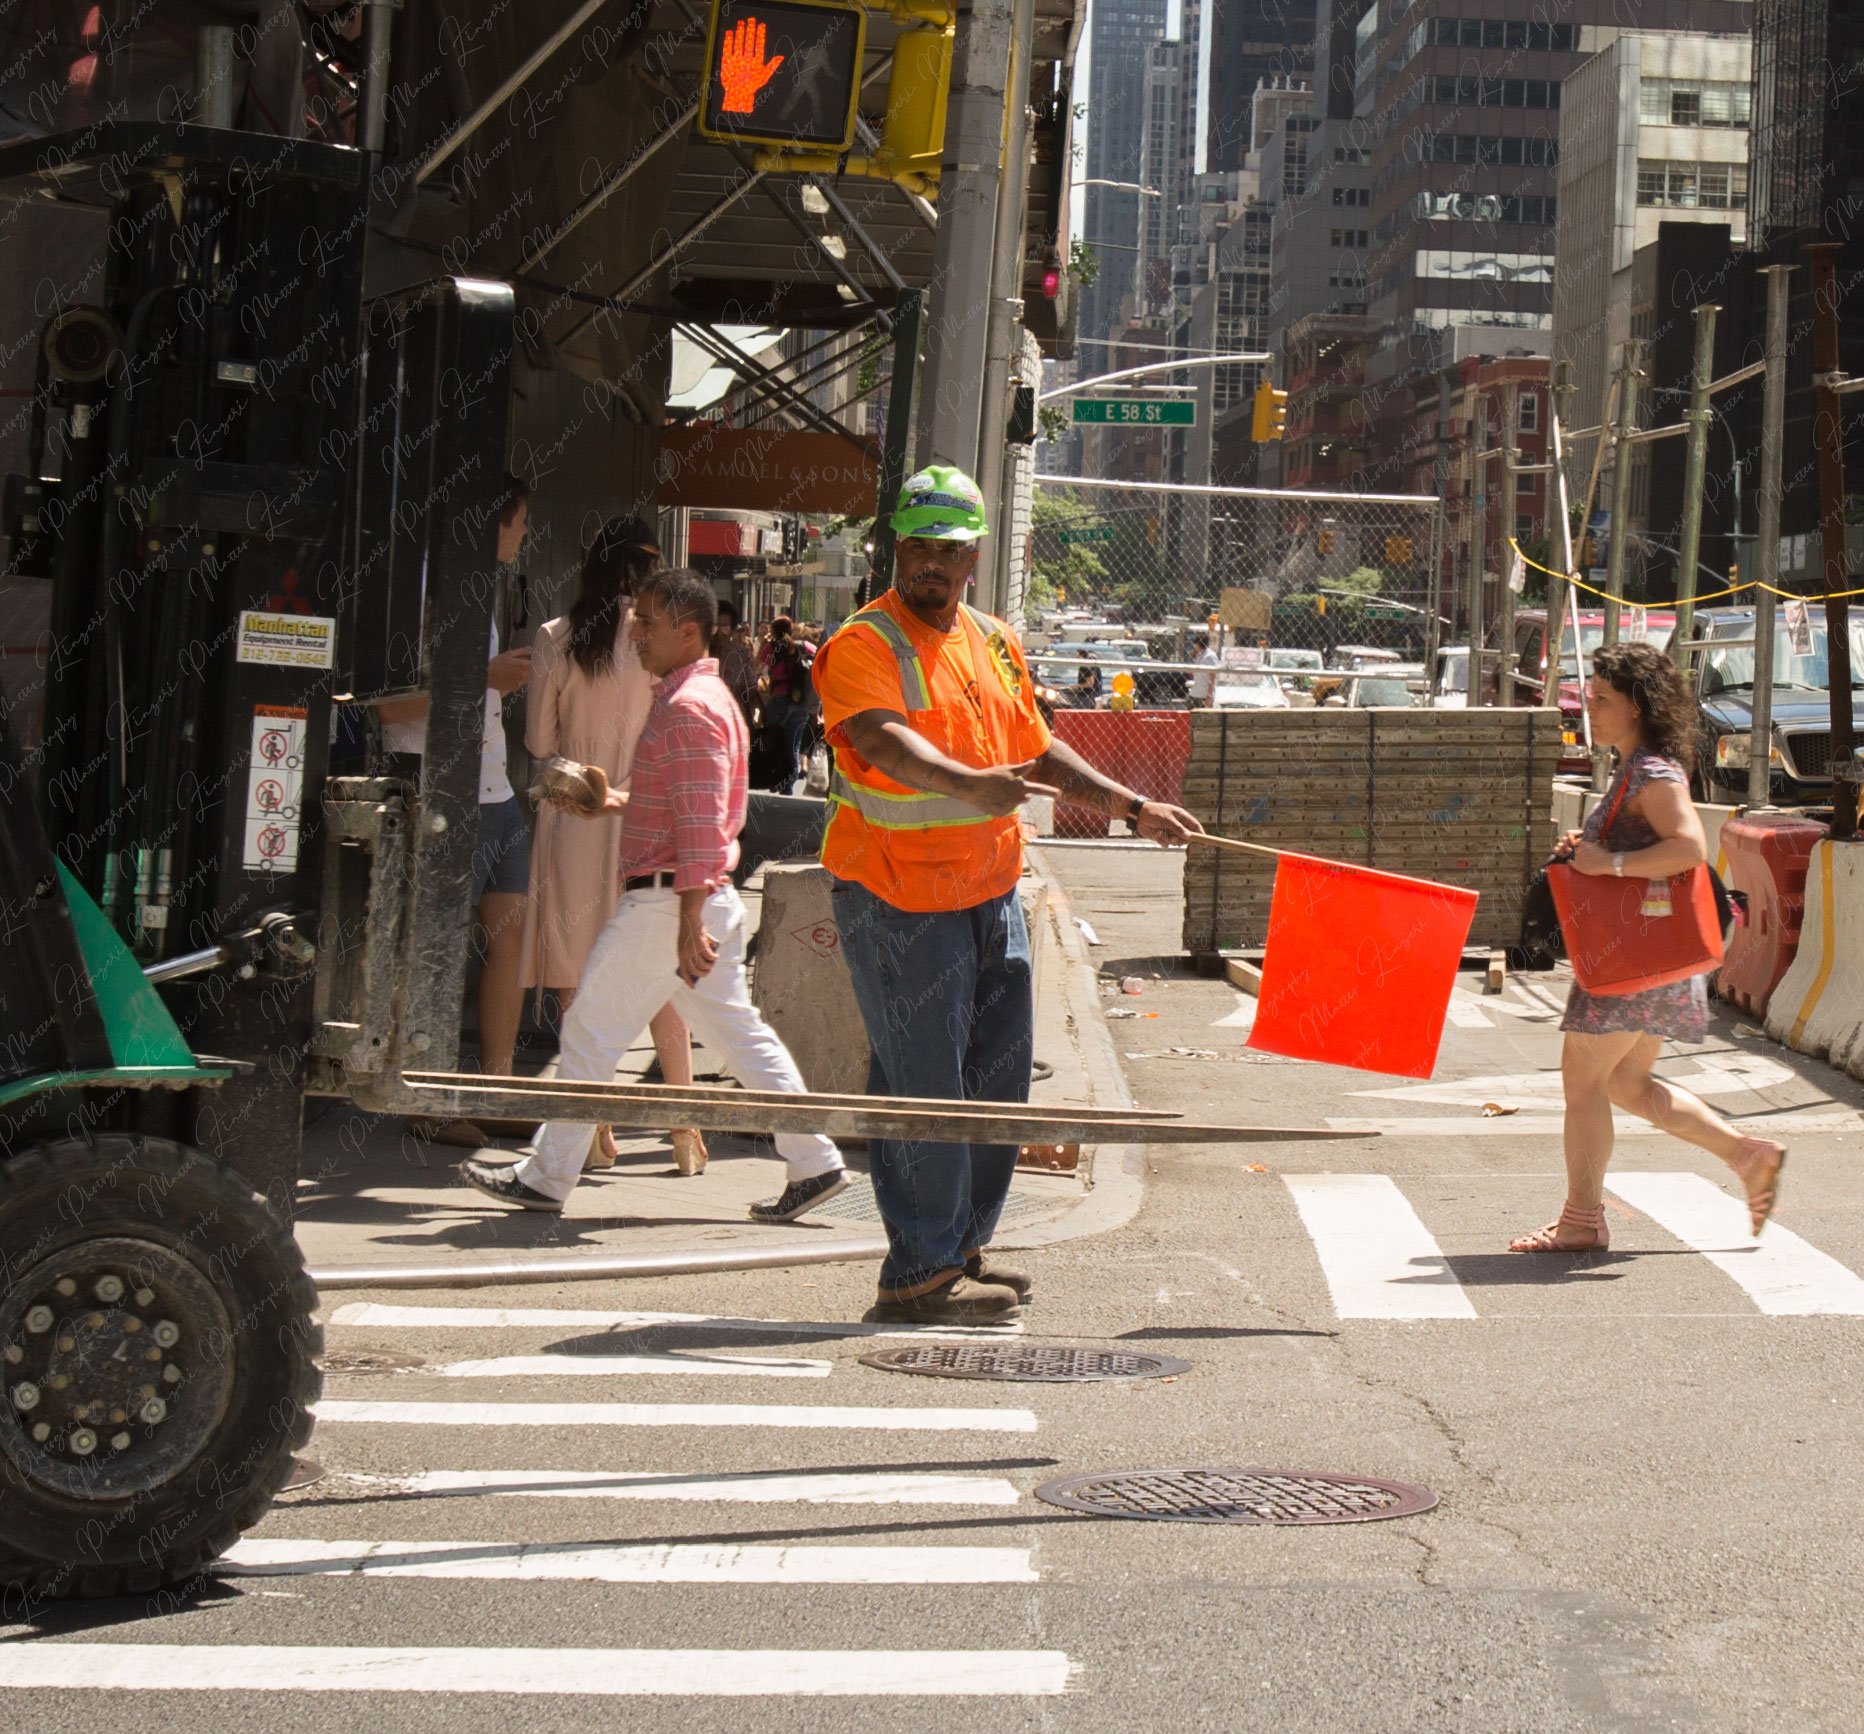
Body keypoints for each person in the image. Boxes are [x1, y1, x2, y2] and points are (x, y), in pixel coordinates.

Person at [813, 464, 1204, 1324]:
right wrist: (967, 784)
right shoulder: (862, 645)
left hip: (989, 891)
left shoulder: (991, 639)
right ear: (895, 548)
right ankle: (918, 1272)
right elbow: (884, 746)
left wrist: (1131, 806)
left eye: (952, 551)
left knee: (996, 1084)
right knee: (923, 1084)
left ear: (974, 557)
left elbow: (1035, 749)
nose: (935, 566)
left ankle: (959, 1250)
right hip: (897, 898)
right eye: (920, 547)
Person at [462, 568, 848, 1219]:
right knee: (739, 1035)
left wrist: (685, 920)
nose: (634, 632)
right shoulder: (702, 697)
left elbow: (697, 820)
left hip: (670, 902)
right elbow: (686, 804)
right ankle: (814, 1159)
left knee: (589, 1028)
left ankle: (548, 1176)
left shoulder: (689, 706)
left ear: (688, 631)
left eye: (647, 622)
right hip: (688, 899)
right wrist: (612, 800)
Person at [1509, 641, 1786, 1253]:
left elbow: (1688, 847)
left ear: (1638, 705)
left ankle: (1582, 1221)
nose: (1591, 709)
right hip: (1648, 956)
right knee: (1628, 1085)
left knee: (1583, 1084)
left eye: (1604, 699)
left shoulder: (1653, 771)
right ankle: (1747, 1154)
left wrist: (1607, 862)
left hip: (1631, 959)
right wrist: (1594, 845)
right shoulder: (1637, 766)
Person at [521, 516, 707, 1177]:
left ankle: (597, 1128)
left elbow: (539, 744)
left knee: (578, 980)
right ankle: (685, 1125)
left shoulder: (554, 638)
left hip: (577, 816)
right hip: (648, 816)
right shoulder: (659, 640)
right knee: (657, 974)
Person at [373, 474, 533, 1146]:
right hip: (436, 789)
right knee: (433, 946)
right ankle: (424, 1089)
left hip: (494, 789)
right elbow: (385, 706)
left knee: (510, 940)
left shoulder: (480, 596)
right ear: (493, 522)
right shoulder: (418, 594)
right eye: (520, 521)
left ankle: (492, 1086)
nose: (524, 535)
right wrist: (482, 680)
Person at [759, 615, 816, 792]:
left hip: (778, 699)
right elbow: (819, 656)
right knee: (794, 744)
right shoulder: (804, 646)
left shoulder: (770, 648)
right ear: (791, 629)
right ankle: (788, 784)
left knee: (777, 742)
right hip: (800, 701)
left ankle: (777, 778)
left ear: (773, 631)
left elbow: (757, 668)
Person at [713, 598, 760, 722]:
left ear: (732, 628)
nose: (718, 630)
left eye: (724, 625)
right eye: (714, 624)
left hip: (735, 719)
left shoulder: (742, 654)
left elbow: (751, 687)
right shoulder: (698, 653)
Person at [1188, 634, 1220, 707]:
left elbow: (1212, 678)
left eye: (1195, 645)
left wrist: (1209, 697)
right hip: (1195, 692)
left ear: (1198, 645)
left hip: (1203, 695)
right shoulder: (1200, 655)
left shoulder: (1209, 656)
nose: (1194, 647)